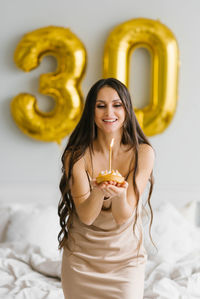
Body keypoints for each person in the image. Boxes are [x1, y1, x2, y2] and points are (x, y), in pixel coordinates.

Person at [58, 78, 155, 299]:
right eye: (100, 105)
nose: (108, 112)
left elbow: (122, 216)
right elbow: (86, 216)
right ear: (91, 111)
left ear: (127, 109)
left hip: (125, 261)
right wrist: (99, 192)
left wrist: (119, 194)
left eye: (117, 105)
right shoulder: (76, 155)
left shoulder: (143, 154)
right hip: (81, 260)